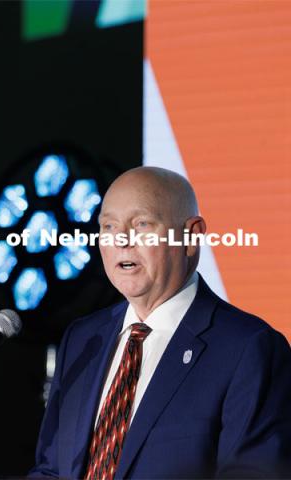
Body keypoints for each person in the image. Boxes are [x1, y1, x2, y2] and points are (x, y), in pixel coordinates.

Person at [29, 166, 291, 479]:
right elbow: (51, 469)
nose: (122, 241)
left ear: (191, 236)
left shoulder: (249, 348)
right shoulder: (83, 339)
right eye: (109, 226)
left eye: (141, 224)